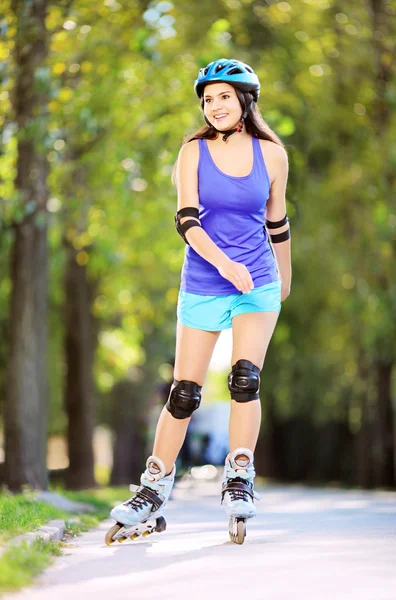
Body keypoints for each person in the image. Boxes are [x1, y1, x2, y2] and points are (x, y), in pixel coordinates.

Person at [108, 58, 291, 544]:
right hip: (205, 282)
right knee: (184, 392)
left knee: (245, 380)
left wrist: (284, 278)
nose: (215, 106)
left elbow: (278, 224)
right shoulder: (192, 152)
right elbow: (187, 220)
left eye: (224, 97)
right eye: (208, 99)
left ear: (245, 101)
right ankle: (152, 487)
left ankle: (239, 477)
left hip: (258, 284)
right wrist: (225, 264)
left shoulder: (273, 155)